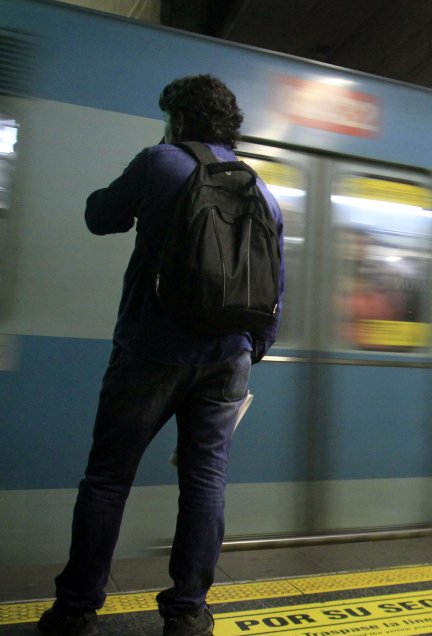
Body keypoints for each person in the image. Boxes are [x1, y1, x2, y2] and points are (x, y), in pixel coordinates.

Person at [37, 75, 284, 636]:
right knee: (205, 483)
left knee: (108, 478)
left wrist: (139, 180)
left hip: (152, 351)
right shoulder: (261, 189)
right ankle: (188, 612)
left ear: (177, 119)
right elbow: (276, 286)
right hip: (229, 357)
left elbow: (101, 217)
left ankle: (76, 609)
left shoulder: (159, 162)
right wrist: (249, 353)